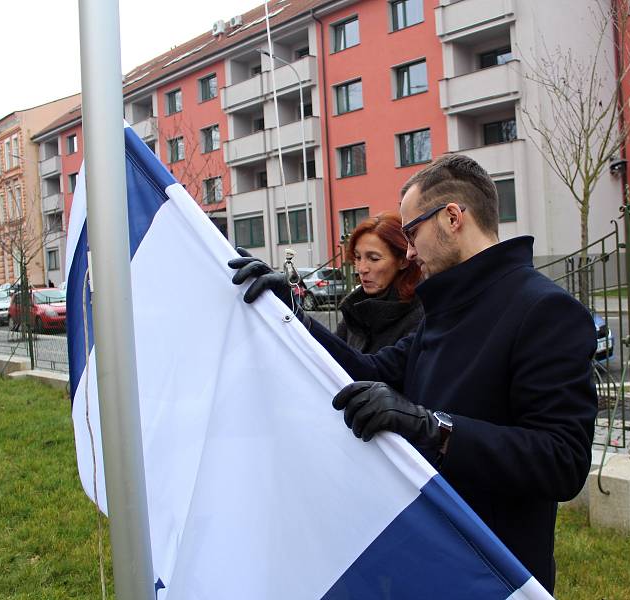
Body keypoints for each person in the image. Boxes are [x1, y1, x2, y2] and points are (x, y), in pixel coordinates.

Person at [229, 154, 597, 593]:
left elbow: (562, 460)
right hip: (425, 557)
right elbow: (367, 371)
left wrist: (433, 429)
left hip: (492, 572)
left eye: (411, 231)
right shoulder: (446, 307)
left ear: (453, 217)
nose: (407, 250)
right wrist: (291, 315)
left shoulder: (544, 310)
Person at [336, 212, 423, 353]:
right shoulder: (355, 307)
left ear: (403, 261)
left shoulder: (420, 313)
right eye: (357, 257)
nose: (361, 268)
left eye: (374, 258)